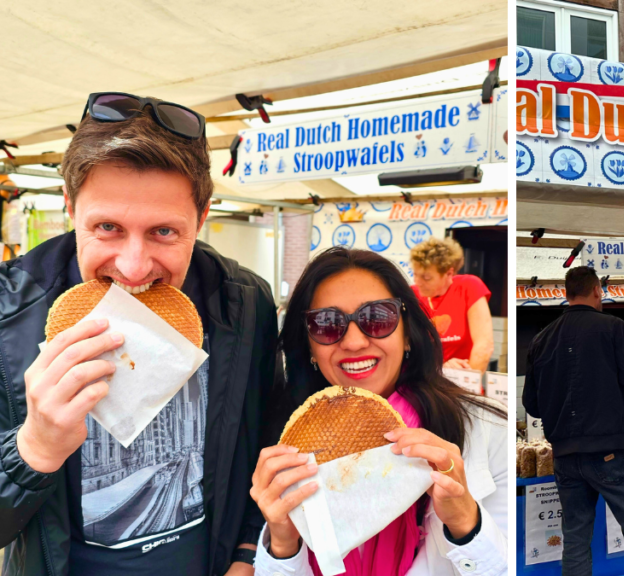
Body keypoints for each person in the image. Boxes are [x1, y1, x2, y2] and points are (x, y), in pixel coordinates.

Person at [0, 93, 278, 575]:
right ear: (70, 207)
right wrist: (35, 448)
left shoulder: (245, 302)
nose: (133, 267)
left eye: (163, 232)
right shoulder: (8, 313)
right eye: (107, 227)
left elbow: (269, 438)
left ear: (203, 216)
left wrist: (248, 553)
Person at [251, 247, 507, 575]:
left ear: (408, 334)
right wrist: (283, 546)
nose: (354, 341)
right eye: (327, 324)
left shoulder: (485, 430)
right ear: (310, 345)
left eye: (377, 317)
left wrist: (465, 522)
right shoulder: (289, 445)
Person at [523, 266, 624, 576]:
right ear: (597, 290)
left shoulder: (542, 339)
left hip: (564, 456)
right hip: (612, 450)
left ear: (566, 293)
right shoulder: (613, 328)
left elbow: (531, 405)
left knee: (575, 541)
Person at [409, 237, 494, 371]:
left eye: (426, 277)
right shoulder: (411, 295)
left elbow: (484, 345)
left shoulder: (469, 287)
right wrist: (441, 368)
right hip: (425, 382)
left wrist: (468, 382)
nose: (418, 282)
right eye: (415, 274)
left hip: (461, 380)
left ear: (449, 273)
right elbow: (408, 350)